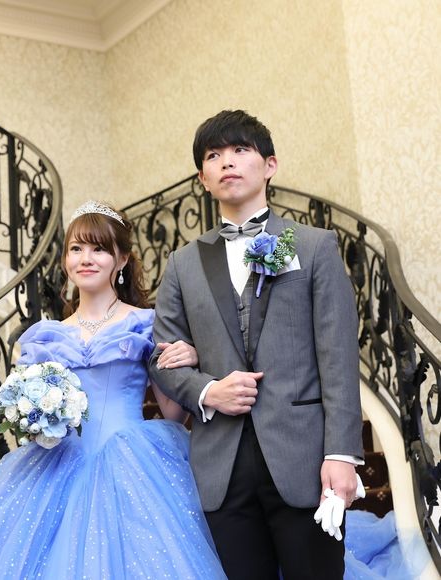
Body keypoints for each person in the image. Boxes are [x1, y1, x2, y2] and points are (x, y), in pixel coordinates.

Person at [0, 201, 227, 579]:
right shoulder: (47, 336)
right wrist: (34, 415)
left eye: (99, 248)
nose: (85, 259)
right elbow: (32, 428)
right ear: (64, 261)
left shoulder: (145, 325)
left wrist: (184, 359)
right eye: (76, 248)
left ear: (122, 259)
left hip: (131, 463)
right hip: (56, 464)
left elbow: (172, 412)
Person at [150, 109, 365, 580]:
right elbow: (161, 358)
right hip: (221, 468)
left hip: (305, 457)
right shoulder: (182, 263)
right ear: (203, 179)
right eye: (213, 155)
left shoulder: (313, 246)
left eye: (240, 150)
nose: (227, 162)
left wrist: (342, 454)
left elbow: (338, 357)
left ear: (270, 165)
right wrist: (208, 390)